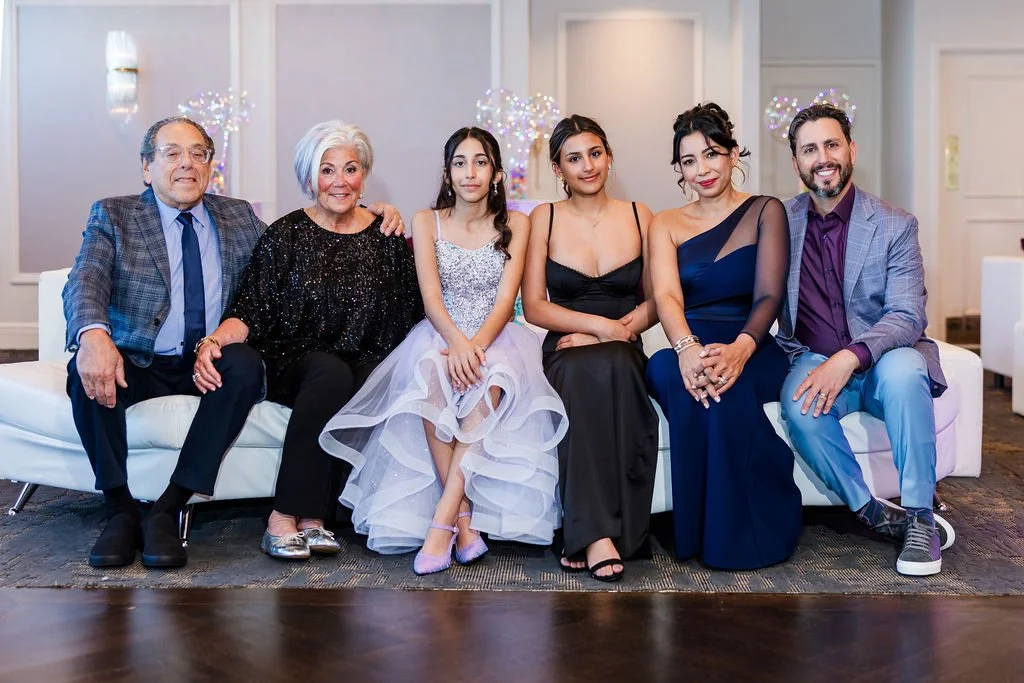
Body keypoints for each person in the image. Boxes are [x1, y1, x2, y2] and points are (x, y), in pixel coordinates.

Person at [320, 127, 568, 576]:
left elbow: (505, 300)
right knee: (428, 373)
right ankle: (465, 521)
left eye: (480, 162)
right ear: (448, 172)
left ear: (495, 173)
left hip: (497, 336)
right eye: (459, 163)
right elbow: (432, 298)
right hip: (441, 332)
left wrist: (475, 349)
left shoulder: (517, 223)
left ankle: (443, 520)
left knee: (493, 378)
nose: (469, 172)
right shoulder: (426, 221)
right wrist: (456, 344)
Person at [191, 120, 421, 561]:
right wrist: (213, 342)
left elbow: (409, 314)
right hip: (292, 358)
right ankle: (283, 516)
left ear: (364, 175)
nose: (340, 181)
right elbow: (251, 308)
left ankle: (316, 519)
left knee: (371, 376)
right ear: (309, 178)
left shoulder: (386, 236)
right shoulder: (286, 234)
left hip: (360, 357)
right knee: (330, 373)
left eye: (350, 169)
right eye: (327, 170)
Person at [776, 103, 955, 577]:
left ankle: (920, 517)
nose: (822, 158)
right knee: (800, 405)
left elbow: (907, 314)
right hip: (811, 354)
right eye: (809, 149)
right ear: (795, 162)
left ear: (851, 150)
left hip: (882, 357)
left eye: (831, 145)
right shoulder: (779, 223)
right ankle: (872, 511)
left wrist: (848, 358)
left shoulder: (895, 224)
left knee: (906, 372)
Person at [645, 103, 803, 570]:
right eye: (689, 161)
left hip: (752, 344)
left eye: (711, 154)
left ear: (733, 154)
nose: (702, 169)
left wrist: (740, 350)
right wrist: (686, 350)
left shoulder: (765, 210)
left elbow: (770, 295)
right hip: (687, 344)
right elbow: (666, 297)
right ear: (679, 169)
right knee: (670, 374)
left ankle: (739, 535)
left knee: (727, 393)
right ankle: (694, 531)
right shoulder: (664, 223)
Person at [522, 114, 659, 583]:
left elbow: (659, 298)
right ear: (557, 168)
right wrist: (595, 328)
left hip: (623, 341)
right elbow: (535, 305)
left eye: (595, 154)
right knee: (581, 371)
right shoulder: (544, 217)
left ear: (609, 157)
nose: (587, 166)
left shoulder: (640, 214)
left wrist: (614, 332)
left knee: (616, 364)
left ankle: (609, 532)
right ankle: (595, 534)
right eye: (574, 158)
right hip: (565, 344)